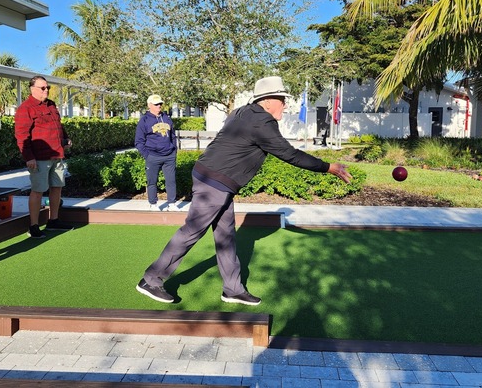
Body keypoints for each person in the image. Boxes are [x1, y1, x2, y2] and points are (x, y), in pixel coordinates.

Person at [136, 76, 353, 305]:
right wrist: (328, 167)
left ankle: (233, 289)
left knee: (226, 235)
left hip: (214, 178)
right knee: (192, 231)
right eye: (281, 99)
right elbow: (290, 154)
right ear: (267, 101)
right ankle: (151, 279)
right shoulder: (262, 123)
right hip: (214, 182)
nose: (285, 104)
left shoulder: (242, 111)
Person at [14, 76, 74, 238]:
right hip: (39, 157)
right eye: (42, 88)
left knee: (57, 187)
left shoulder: (51, 105)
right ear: (32, 89)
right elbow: (21, 136)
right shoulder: (26, 108)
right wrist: (29, 157)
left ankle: (53, 220)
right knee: (38, 190)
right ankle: (33, 226)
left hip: (57, 154)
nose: (46, 90)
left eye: (47, 87)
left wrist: (65, 138)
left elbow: (58, 126)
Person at [134, 94, 178, 212]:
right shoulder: (144, 120)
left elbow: (173, 136)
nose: (159, 106)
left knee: (171, 181)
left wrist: (174, 150)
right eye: (156, 104)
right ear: (149, 105)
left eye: (160, 104)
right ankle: (153, 204)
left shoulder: (167, 118)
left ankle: (172, 204)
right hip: (153, 156)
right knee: (152, 181)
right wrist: (147, 155)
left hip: (169, 155)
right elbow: (138, 141)